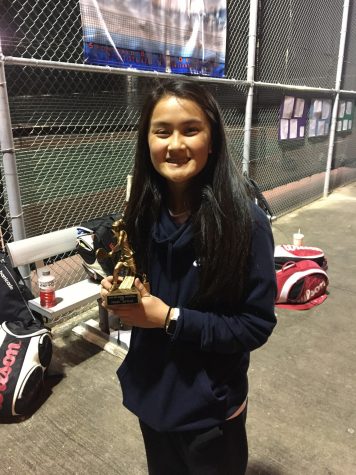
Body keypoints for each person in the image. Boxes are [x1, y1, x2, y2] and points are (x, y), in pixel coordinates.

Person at [100, 79, 277, 475]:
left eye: (190, 130)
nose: (175, 144)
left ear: (211, 140)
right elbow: (141, 297)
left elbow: (255, 325)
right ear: (147, 142)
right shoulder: (140, 216)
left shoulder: (245, 223)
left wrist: (169, 318)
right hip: (153, 397)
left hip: (210, 411)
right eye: (162, 131)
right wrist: (123, 297)